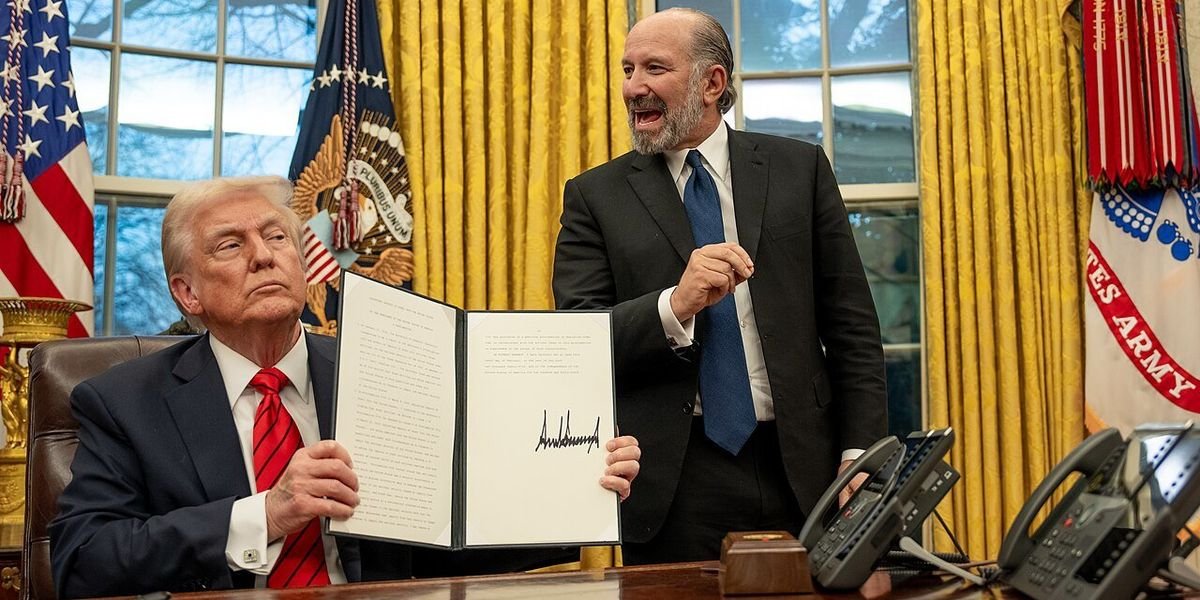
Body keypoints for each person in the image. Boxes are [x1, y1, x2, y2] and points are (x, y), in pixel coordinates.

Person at [49, 176, 642, 596]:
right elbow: (83, 560)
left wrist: (574, 490)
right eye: (231, 245)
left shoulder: (394, 372)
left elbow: (454, 542)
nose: (263, 257)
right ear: (187, 293)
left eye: (277, 237)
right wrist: (265, 515)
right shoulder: (125, 401)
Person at [552, 8, 886, 564]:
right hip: (672, 482)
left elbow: (851, 324)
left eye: (655, 68)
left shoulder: (800, 169)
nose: (633, 87)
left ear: (712, 83)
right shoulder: (594, 196)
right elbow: (577, 339)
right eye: (628, 70)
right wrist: (673, 306)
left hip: (806, 469)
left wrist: (860, 451)